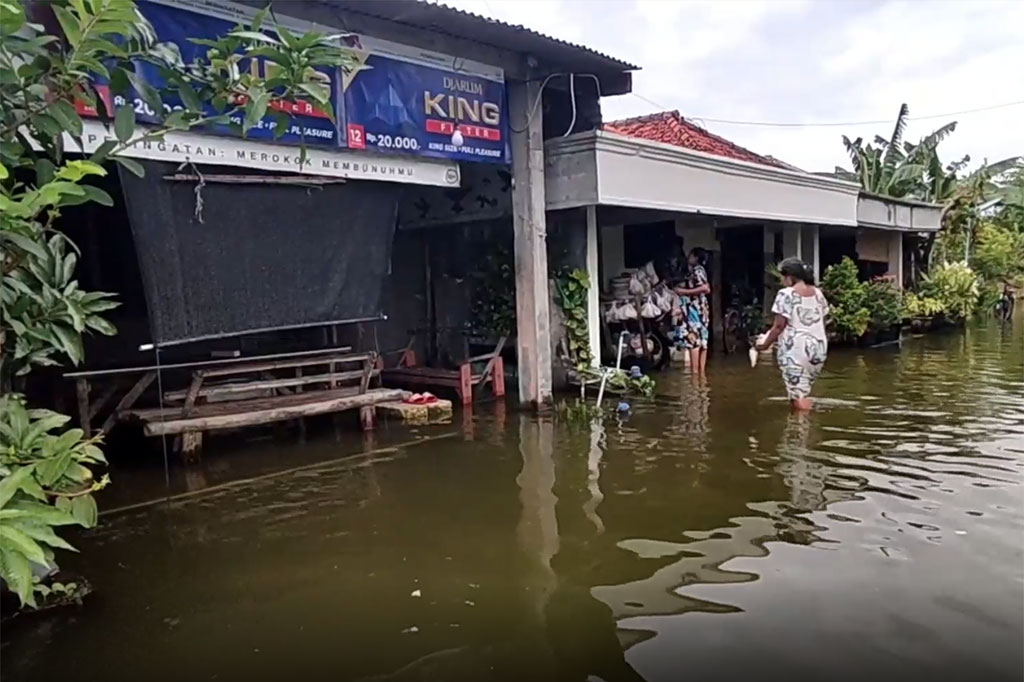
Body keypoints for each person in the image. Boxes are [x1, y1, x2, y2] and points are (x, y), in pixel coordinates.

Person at [755, 258, 828, 411]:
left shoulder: (786, 294)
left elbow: (779, 326)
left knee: (798, 397)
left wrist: (764, 344)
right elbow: (822, 318)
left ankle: (802, 430)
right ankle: (805, 426)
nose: (781, 280)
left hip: (796, 350)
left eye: (782, 276)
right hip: (819, 349)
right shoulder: (818, 293)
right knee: (803, 390)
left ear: (790, 276)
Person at [674, 247, 711, 373]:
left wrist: (683, 292)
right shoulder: (696, 271)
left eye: (690, 255)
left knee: (694, 339)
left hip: (695, 309)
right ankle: (700, 375)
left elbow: (706, 288)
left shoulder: (697, 270)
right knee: (702, 339)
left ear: (695, 257)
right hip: (700, 309)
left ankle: (695, 375)